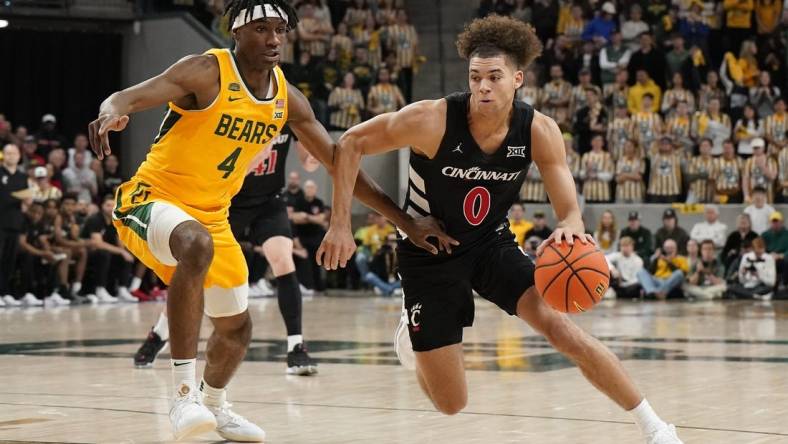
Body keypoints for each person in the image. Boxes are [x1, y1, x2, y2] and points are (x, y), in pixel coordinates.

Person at [87, 2, 450, 441]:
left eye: (280, 30)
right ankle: (184, 397)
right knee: (196, 245)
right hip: (151, 200)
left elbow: (341, 165)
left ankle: (216, 407)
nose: (274, 39)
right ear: (236, 33)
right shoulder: (205, 71)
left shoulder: (287, 98)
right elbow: (129, 95)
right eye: (262, 29)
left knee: (237, 328)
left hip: (212, 216)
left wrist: (405, 222)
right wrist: (112, 111)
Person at [315, 15, 683, 443]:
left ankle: (655, 427)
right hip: (429, 252)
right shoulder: (432, 120)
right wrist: (342, 223)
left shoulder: (539, 130)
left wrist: (569, 227)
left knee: (561, 328)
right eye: (475, 78)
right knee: (451, 404)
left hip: (491, 243)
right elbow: (350, 144)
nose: (483, 87)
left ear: (518, 79)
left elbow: (570, 212)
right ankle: (412, 336)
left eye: (494, 77)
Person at [134, 126, 321, 375]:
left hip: (269, 202)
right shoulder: (237, 114)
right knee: (196, 273)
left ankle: (296, 346)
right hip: (228, 199)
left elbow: (309, 162)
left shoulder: (286, 107)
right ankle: (158, 334)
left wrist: (315, 154)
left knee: (283, 260)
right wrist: (253, 158)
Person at [0, 144, 29, 307]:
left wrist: (28, 201)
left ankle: (5, 292)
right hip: (1, 222)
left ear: (19, 156)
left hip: (15, 222)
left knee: (9, 259)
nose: (11, 156)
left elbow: (25, 200)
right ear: (4, 155)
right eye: (8, 153)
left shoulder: (22, 176)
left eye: (14, 153)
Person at [762, 211, 788, 286]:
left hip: (783, 258)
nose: (775, 224)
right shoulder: (765, 235)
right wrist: (769, 255)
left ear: (782, 222)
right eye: (773, 222)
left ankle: (784, 284)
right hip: (768, 258)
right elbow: (760, 247)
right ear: (770, 223)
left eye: (777, 221)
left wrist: (782, 255)